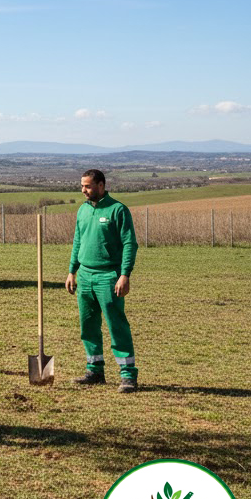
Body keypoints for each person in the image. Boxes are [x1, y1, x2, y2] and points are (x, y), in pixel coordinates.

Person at [65, 168, 139, 393]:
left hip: (109, 277)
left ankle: (128, 376)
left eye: (87, 186)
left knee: (116, 325)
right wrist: (72, 271)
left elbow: (129, 244)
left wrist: (124, 275)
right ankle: (94, 370)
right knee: (88, 326)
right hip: (85, 276)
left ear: (101, 185)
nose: (83, 190)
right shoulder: (82, 211)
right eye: (82, 186)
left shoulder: (118, 210)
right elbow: (78, 241)